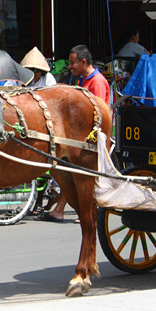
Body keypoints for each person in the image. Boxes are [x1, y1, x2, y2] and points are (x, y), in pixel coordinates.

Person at [41, 45, 110, 222]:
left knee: (76, 172)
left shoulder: (97, 82)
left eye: (73, 63)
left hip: (93, 135)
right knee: (67, 171)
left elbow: (98, 112)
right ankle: (63, 209)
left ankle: (79, 209)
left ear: (84, 62)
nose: (70, 66)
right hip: (79, 134)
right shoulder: (81, 81)